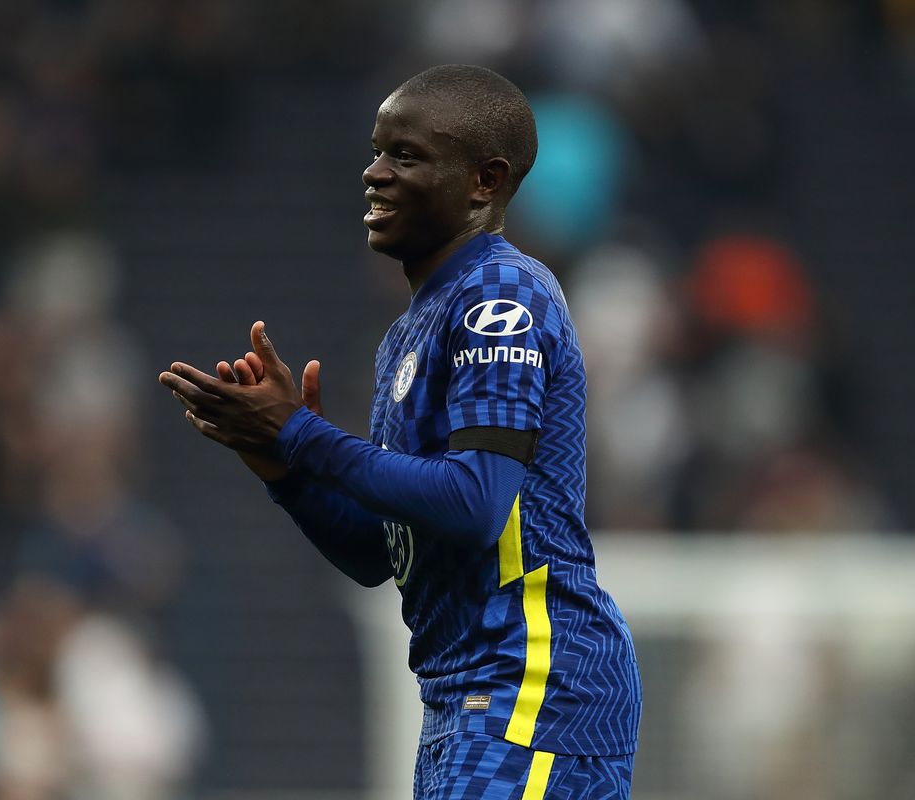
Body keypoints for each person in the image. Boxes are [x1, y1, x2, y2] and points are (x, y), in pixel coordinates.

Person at [159, 65, 641, 799]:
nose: (374, 173)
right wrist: (280, 464)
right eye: (377, 151)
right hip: (464, 697)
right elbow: (380, 555)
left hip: (533, 685)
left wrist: (303, 436)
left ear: (484, 181)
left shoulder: (500, 296)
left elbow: (475, 502)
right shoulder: (406, 338)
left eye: (405, 156)